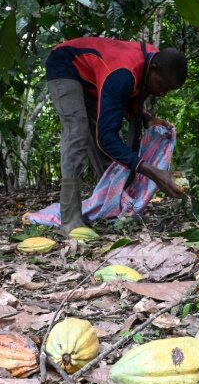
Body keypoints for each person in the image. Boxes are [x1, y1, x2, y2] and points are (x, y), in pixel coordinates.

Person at [45, 36, 188, 235]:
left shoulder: (150, 65)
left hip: (94, 78)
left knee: (111, 150)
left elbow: (127, 104)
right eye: (162, 86)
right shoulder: (122, 73)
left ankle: (110, 205)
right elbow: (106, 138)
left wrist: (146, 119)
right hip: (66, 64)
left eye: (168, 90)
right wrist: (153, 172)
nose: (162, 93)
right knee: (78, 132)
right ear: (153, 68)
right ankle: (70, 220)